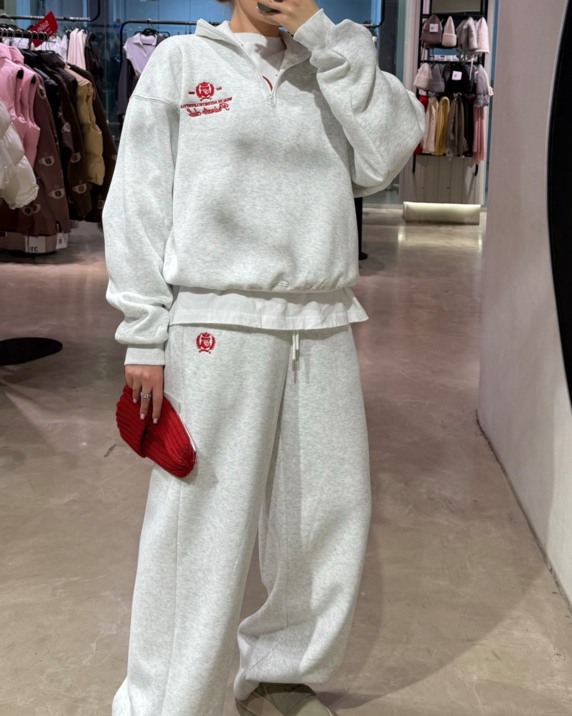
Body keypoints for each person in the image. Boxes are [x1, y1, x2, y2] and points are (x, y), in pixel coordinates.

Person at [103, 1, 425, 714]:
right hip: (215, 321)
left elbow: (386, 155)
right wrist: (144, 333)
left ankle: (283, 667)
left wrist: (326, 39)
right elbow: (137, 203)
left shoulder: (330, 63)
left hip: (322, 316)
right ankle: (165, 701)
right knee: (199, 524)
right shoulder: (181, 64)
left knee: (325, 515)